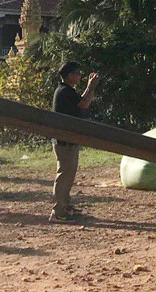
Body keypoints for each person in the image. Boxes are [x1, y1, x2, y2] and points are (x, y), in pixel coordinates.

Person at [50, 61, 99, 223]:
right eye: (77, 73)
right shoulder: (64, 91)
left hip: (68, 140)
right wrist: (91, 86)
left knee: (68, 175)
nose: (80, 76)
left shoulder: (67, 91)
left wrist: (90, 88)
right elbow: (84, 103)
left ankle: (65, 206)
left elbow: (83, 103)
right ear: (70, 75)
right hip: (65, 142)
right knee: (64, 176)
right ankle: (59, 212)